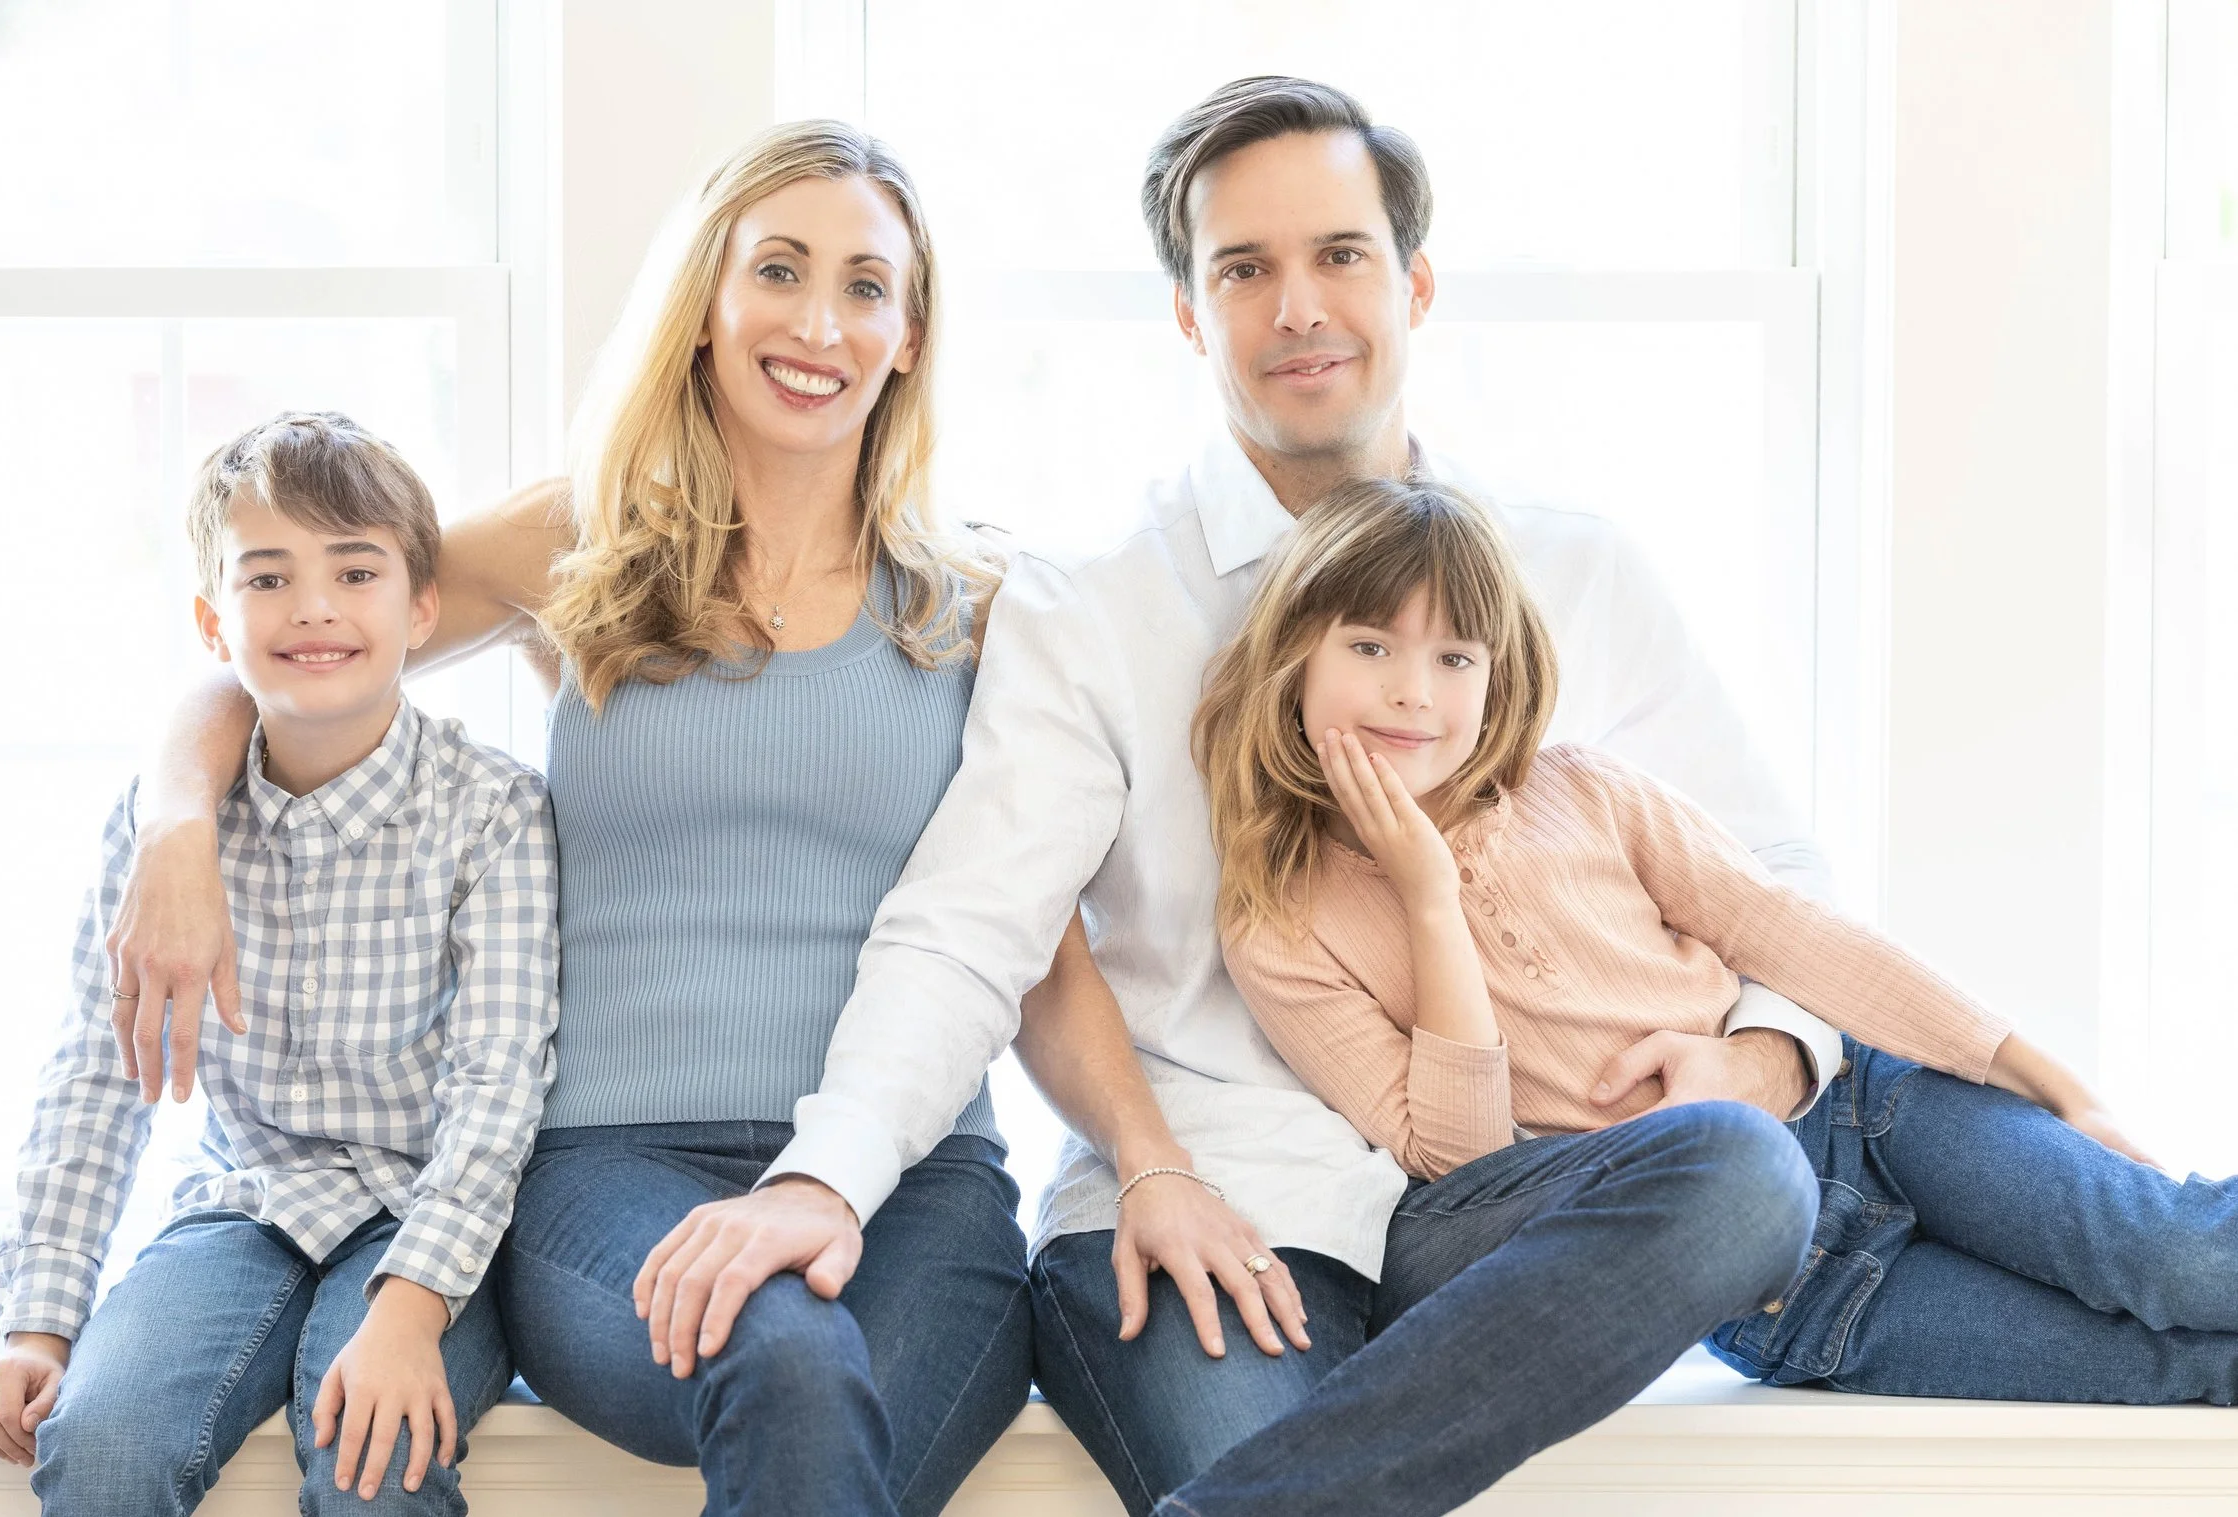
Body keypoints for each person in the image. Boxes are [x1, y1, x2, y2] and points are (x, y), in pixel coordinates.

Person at [655, 77, 1836, 1517]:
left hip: (1491, 1208)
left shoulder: (1573, 571)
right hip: (1208, 1216)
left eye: (1339, 255)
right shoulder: (1091, 607)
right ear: (1185, 312)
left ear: (1413, 283)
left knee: (1741, 1170)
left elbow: (1776, 874)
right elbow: (967, 934)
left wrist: (1761, 1068)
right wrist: (826, 1177)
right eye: (1242, 269)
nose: (1297, 307)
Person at [107, 122, 1048, 1515]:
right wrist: (177, 831)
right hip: (608, 1172)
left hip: (917, 1183)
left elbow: (1041, 942)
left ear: (909, 335)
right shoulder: (583, 544)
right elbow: (290, 648)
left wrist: (1148, 1162)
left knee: (816, 1418)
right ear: (707, 310)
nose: (817, 321)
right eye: (777, 270)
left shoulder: (978, 604)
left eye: (865, 285)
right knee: (786, 1363)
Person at [1209, 472, 2238, 1407]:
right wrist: (1428, 898)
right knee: (2180, 1366)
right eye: (1370, 645)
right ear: (1294, 652)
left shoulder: (1582, 788)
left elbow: (1790, 931)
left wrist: (2049, 1077)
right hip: (1782, 1293)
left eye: (1453, 656)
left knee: (2178, 1258)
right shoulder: (1278, 922)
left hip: (1867, 1113)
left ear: (1496, 672)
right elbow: (1464, 1160)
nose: (1413, 691)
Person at [0, 412, 561, 1514]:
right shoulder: (168, 831)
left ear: (422, 607)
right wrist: (39, 1326)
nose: (313, 606)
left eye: (355, 570)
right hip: (243, 1202)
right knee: (102, 1440)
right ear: (212, 624)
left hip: (430, 1222)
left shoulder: (494, 812)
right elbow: (97, 1073)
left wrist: (411, 1310)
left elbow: (499, 1085)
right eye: (267, 577)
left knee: (375, 1461)